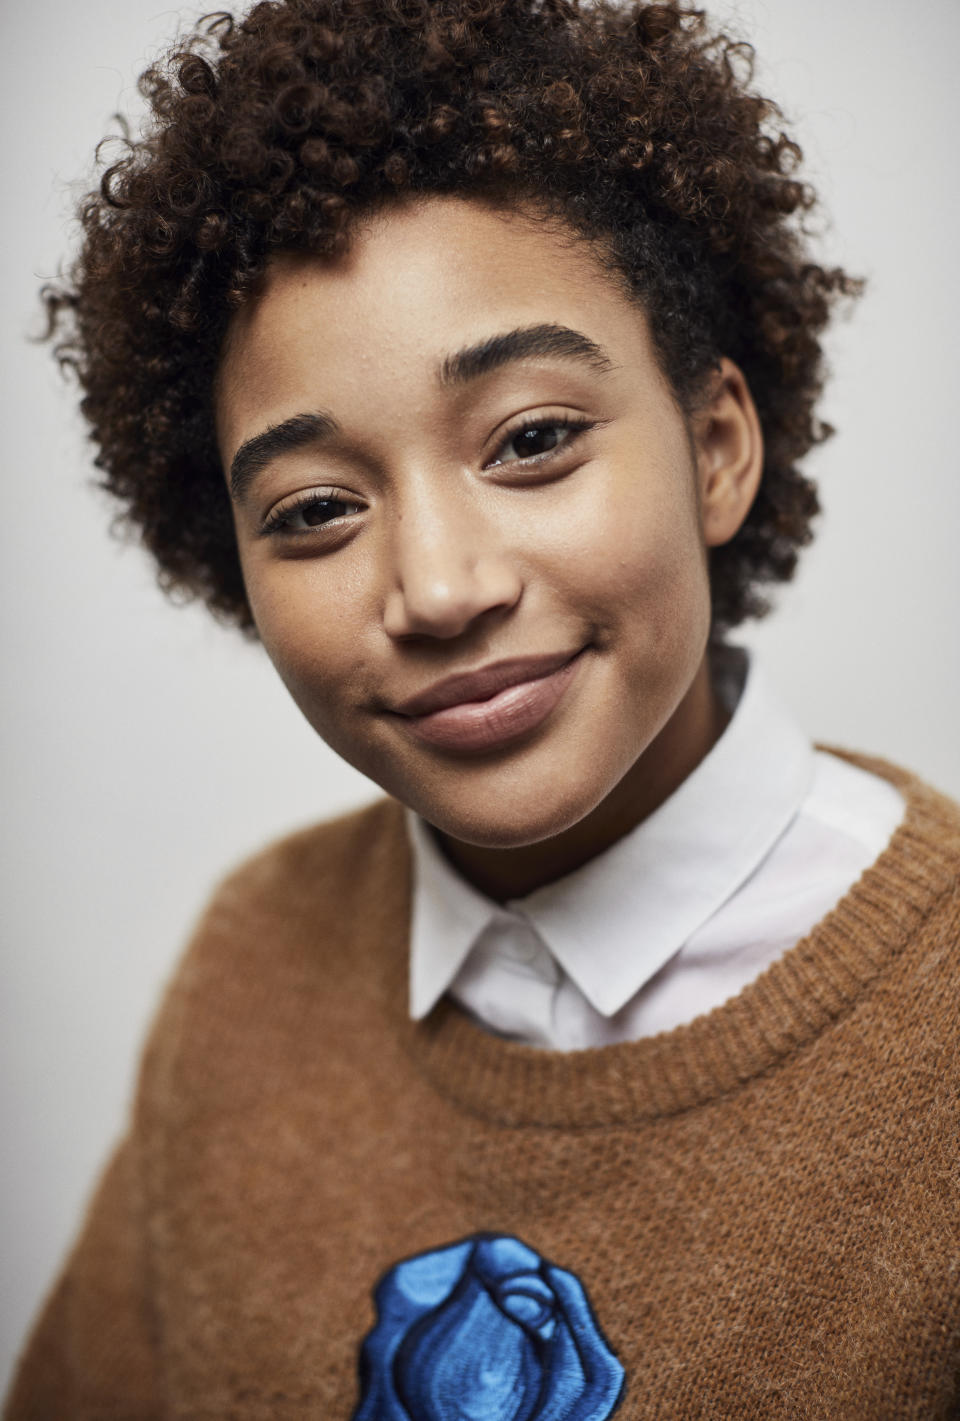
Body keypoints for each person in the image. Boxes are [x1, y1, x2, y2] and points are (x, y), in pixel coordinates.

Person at [5, 0, 958, 1415]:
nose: (439, 587)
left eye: (531, 440)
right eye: (318, 508)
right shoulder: (250, 965)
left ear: (715, 449)